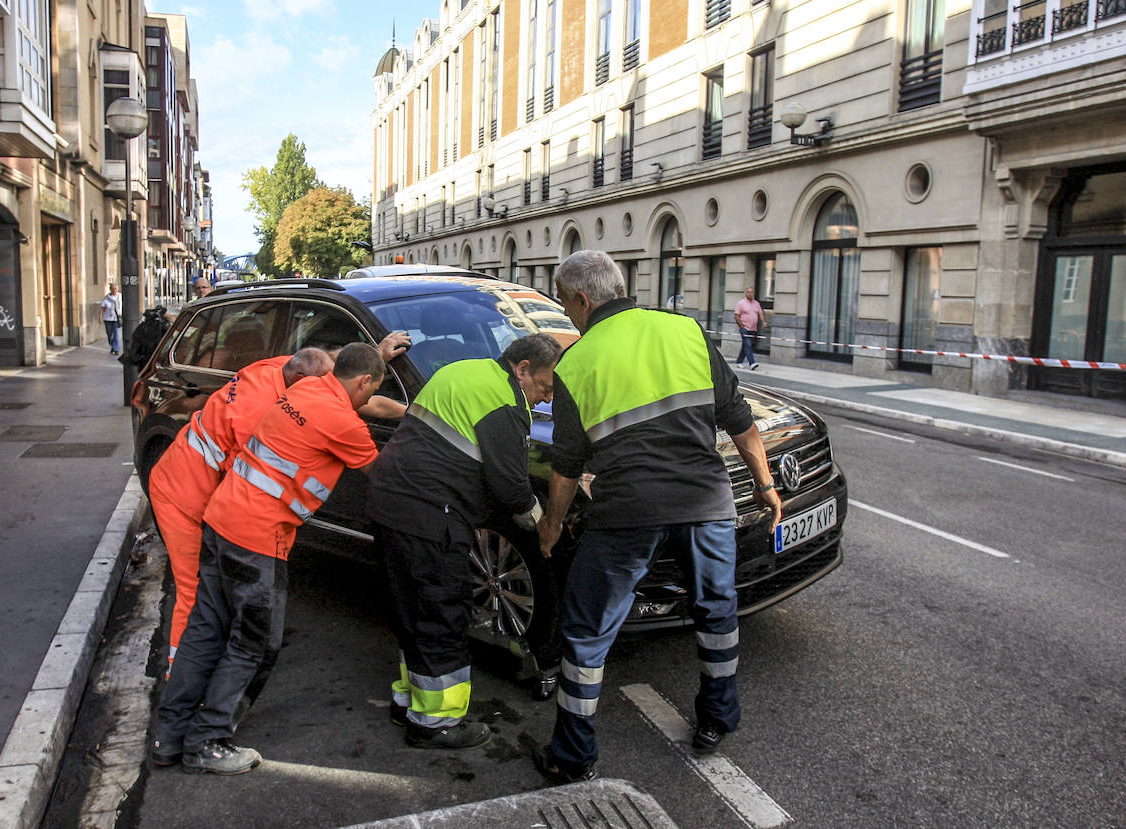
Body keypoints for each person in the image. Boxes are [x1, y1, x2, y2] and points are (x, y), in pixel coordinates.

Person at [531, 250, 782, 784]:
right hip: (705, 503)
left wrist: (551, 524)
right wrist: (764, 485)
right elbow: (740, 422)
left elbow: (568, 466)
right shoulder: (685, 331)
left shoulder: (574, 363)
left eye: (563, 302)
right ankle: (717, 720)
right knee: (716, 612)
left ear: (581, 299)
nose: (567, 314)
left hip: (628, 511)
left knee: (588, 630)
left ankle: (573, 757)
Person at [152, 343, 385, 775]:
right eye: (368, 395)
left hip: (221, 519)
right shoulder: (343, 422)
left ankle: (170, 735)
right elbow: (387, 475)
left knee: (205, 631)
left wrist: (385, 370)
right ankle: (207, 741)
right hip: (258, 537)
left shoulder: (298, 388)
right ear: (363, 382)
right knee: (254, 643)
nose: (368, 405)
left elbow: (360, 392)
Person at [147, 335, 409, 676]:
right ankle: (179, 674)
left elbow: (343, 380)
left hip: (199, 484)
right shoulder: (256, 414)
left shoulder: (285, 368)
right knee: (195, 590)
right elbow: (247, 492)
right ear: (305, 384)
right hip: (181, 495)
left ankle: (208, 659)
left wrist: (377, 360)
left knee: (218, 589)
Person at [367, 333, 562, 750]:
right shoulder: (505, 403)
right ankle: (435, 723)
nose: (545, 399)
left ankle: (409, 703)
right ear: (522, 369)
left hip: (389, 501)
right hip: (429, 516)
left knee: (412, 608)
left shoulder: (461, 371)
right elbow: (511, 487)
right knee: (442, 613)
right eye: (545, 387)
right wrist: (544, 525)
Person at [735, 286, 768, 369]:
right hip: (744, 328)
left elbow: (760, 313)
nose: (750, 294)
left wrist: (764, 321)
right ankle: (752, 363)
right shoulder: (741, 303)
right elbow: (737, 315)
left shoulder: (756, 303)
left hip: (753, 329)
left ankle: (739, 361)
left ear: (753, 293)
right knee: (748, 344)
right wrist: (742, 326)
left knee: (746, 345)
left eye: (751, 292)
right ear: (746, 293)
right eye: (748, 292)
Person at [101, 283, 123, 355]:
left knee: (117, 334)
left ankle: (116, 349)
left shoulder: (120, 296)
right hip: (108, 318)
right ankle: (113, 346)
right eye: (113, 289)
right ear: (110, 289)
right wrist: (100, 316)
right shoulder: (107, 298)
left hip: (117, 318)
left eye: (116, 289)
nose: (115, 290)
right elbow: (102, 308)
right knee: (110, 335)